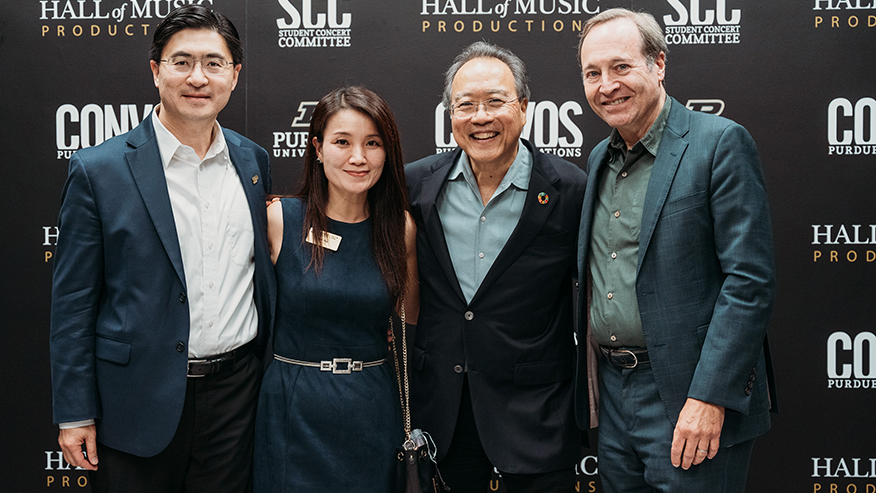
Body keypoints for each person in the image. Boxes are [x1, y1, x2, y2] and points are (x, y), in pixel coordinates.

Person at [49, 5, 274, 492]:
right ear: (156, 71)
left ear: (234, 76)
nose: (198, 77)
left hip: (237, 399)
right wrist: (74, 412)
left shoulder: (253, 161)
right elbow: (72, 305)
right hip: (137, 401)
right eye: (182, 62)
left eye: (214, 63)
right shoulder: (99, 170)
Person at [574, 8, 777, 493]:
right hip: (614, 396)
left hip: (689, 395)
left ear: (659, 64)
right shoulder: (599, 158)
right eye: (592, 73)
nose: (606, 85)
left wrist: (711, 397)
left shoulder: (719, 144)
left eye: (621, 67)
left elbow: (748, 282)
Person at [405, 41, 587, 492]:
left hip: (537, 418)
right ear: (450, 115)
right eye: (465, 105)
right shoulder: (416, 185)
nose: (480, 117)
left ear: (523, 108)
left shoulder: (570, 189)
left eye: (495, 102)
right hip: (442, 421)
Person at [253, 86, 418, 492]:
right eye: (342, 142)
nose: (358, 158)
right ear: (317, 148)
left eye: (373, 143)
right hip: (292, 408)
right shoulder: (280, 219)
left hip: (372, 410)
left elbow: (410, 328)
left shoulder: (400, 228)